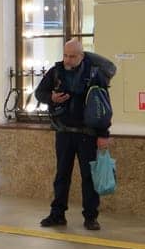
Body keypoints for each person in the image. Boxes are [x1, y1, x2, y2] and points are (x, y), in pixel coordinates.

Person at [33, 38, 117, 231]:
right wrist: (51, 98)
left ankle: (90, 217)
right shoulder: (56, 72)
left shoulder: (95, 75)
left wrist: (103, 135)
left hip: (88, 134)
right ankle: (57, 214)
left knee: (89, 177)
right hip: (63, 132)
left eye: (72, 56)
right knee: (62, 175)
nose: (67, 60)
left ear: (81, 56)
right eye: (65, 55)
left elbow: (104, 108)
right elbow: (39, 93)